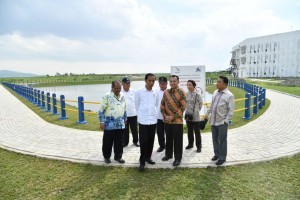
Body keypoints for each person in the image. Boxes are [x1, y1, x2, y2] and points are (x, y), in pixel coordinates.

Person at [205, 76, 235, 165]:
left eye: (219, 82)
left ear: (225, 84)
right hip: (213, 121)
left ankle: (222, 157)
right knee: (214, 139)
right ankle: (217, 154)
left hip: (222, 122)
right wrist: (207, 115)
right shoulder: (215, 92)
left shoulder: (229, 95)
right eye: (217, 81)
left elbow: (231, 110)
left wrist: (226, 121)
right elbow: (212, 105)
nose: (216, 83)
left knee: (222, 140)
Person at [161, 75, 186, 167]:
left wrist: (173, 117)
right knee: (168, 138)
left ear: (178, 82)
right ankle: (168, 155)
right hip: (167, 121)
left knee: (178, 140)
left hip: (177, 121)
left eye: (174, 81)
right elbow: (162, 104)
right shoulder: (166, 92)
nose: (172, 83)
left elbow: (183, 107)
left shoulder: (182, 92)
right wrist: (164, 115)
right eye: (171, 81)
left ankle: (178, 158)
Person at [99, 80, 126, 164]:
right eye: (117, 88)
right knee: (108, 141)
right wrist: (101, 122)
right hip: (109, 124)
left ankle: (118, 157)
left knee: (119, 142)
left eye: (120, 88)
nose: (118, 90)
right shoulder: (107, 96)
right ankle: (107, 157)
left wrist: (125, 119)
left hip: (120, 124)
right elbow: (101, 110)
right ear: (112, 88)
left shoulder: (122, 96)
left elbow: (124, 108)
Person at [135, 73, 158, 171]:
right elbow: (137, 105)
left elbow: (156, 105)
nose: (151, 82)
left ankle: (148, 157)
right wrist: (141, 116)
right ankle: (142, 161)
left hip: (152, 121)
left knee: (151, 141)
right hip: (143, 121)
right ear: (145, 80)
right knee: (143, 142)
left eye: (153, 81)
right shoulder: (139, 92)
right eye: (150, 80)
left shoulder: (155, 92)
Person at [185, 80, 203, 153]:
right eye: (188, 85)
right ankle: (190, 144)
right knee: (189, 131)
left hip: (195, 116)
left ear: (194, 86)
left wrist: (196, 111)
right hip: (188, 115)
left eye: (190, 85)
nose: (188, 86)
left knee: (197, 132)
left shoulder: (197, 95)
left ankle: (199, 146)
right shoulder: (186, 94)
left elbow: (201, 104)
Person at [121, 77, 139, 147]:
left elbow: (137, 102)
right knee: (125, 130)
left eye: (129, 83)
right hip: (124, 115)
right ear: (122, 84)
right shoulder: (120, 91)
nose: (128, 84)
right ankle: (125, 142)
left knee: (134, 129)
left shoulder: (133, 91)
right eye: (126, 83)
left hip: (133, 114)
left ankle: (135, 141)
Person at [156, 76, 168, 152]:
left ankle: (169, 146)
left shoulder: (170, 91)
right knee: (160, 132)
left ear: (167, 83)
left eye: (163, 83)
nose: (162, 85)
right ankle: (162, 146)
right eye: (160, 84)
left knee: (169, 133)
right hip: (159, 116)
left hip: (168, 116)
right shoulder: (156, 92)